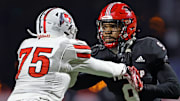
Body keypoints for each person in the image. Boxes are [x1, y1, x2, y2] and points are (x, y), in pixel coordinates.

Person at [7, 7, 130, 101]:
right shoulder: (65, 45)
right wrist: (123, 69)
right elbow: (99, 67)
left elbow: (67, 79)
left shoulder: (26, 44)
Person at [71, 2, 180, 101]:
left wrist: (143, 88)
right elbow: (77, 83)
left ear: (128, 26)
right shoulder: (102, 54)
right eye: (104, 27)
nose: (107, 32)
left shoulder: (147, 47)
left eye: (113, 26)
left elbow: (174, 89)